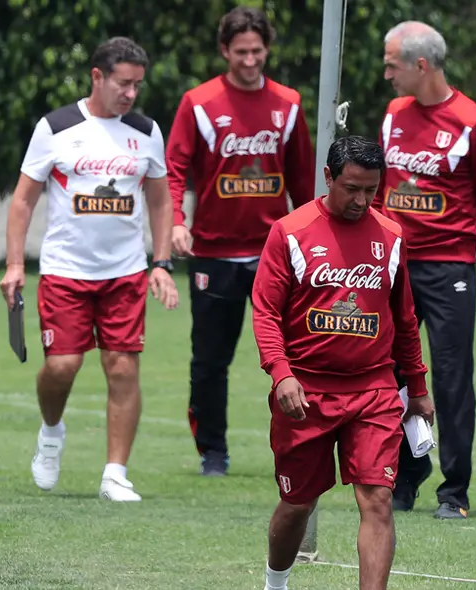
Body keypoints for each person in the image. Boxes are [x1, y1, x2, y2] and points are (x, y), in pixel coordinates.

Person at [0, 37, 178, 503]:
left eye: (138, 85)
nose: (131, 94)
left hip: (125, 273)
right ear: (97, 77)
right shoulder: (56, 127)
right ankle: (52, 431)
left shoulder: (146, 131)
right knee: (62, 366)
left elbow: (160, 199)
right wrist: (15, 264)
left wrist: (161, 261)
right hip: (65, 271)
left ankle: (115, 474)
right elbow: (22, 200)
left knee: (122, 369)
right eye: (123, 83)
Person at [251, 135, 434, 590]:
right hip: (305, 392)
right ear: (328, 177)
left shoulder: (391, 236)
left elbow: (405, 320)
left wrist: (418, 388)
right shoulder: (289, 232)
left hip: (373, 390)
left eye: (371, 190)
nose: (361, 200)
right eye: (352, 188)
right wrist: (281, 374)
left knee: (377, 501)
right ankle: (276, 583)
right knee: (298, 503)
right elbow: (266, 312)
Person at [375, 21, 476, 519]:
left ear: (420, 65)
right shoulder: (393, 115)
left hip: (448, 269)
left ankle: (454, 491)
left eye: (392, 63)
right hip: (392, 266)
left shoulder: (474, 124)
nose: (385, 72)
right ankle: (405, 475)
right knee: (388, 376)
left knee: (452, 380)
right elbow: (379, 192)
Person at [165, 5, 316, 476]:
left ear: (267, 49)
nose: (250, 61)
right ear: (225, 51)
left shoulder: (288, 103)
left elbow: (303, 178)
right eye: (241, 52)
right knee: (211, 359)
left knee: (297, 353)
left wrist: (316, 234)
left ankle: (302, 440)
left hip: (275, 252)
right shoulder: (199, 102)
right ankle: (213, 451)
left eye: (258, 51)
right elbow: (174, 168)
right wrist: (176, 220)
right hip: (214, 250)